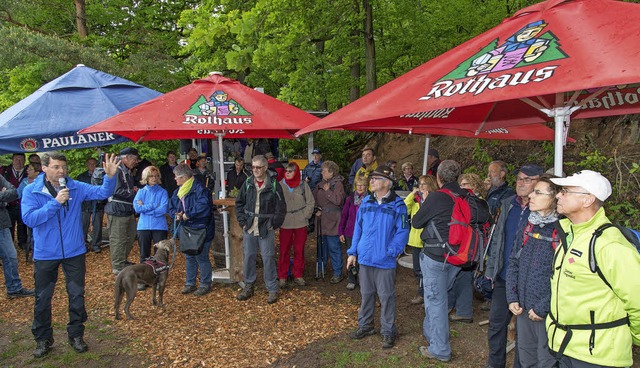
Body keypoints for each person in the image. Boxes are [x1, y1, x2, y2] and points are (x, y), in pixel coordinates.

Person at [21, 151, 119, 358]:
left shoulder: (75, 187)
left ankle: (75, 335)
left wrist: (110, 177)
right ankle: (43, 339)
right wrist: (55, 202)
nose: (61, 171)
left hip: (74, 251)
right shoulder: (32, 191)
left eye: (63, 167)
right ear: (45, 168)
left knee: (76, 295)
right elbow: (29, 219)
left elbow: (101, 193)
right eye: (56, 167)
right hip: (46, 254)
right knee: (42, 298)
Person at [547, 171, 640, 368]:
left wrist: (628, 338)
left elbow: (637, 300)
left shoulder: (609, 245)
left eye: (565, 191)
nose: (558, 195)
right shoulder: (570, 235)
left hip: (598, 356)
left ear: (588, 199)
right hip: (565, 349)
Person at [485, 163, 543, 368]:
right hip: (504, 277)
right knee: (496, 325)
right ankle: (494, 364)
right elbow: (498, 240)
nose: (521, 183)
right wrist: (492, 269)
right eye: (519, 178)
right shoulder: (508, 203)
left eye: (528, 179)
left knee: (525, 333)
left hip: (529, 282)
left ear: (539, 183)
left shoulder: (544, 211)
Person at [346, 165, 409, 349]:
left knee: (386, 296)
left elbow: (403, 231)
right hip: (365, 258)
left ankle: (388, 331)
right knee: (366, 295)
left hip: (385, 260)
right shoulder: (366, 202)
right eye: (371, 178)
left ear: (387, 182)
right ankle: (365, 326)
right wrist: (352, 252)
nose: (371, 181)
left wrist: (392, 250)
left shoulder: (398, 205)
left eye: (376, 178)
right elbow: (358, 228)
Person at [411, 160, 466, 362]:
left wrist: (425, 203)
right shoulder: (465, 195)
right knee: (440, 297)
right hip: (458, 256)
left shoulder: (437, 198)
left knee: (436, 302)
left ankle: (440, 349)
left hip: (437, 257)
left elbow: (417, 222)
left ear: (438, 178)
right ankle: (431, 334)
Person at [506, 176, 559, 368]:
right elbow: (513, 261)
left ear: (554, 197)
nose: (531, 195)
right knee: (527, 360)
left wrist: (544, 307)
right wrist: (512, 297)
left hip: (548, 313)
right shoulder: (528, 224)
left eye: (538, 192)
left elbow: (566, 277)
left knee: (547, 362)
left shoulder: (563, 230)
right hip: (523, 310)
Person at [235, 155, 286, 304]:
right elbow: (239, 203)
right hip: (250, 226)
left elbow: (281, 208)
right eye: (253, 167)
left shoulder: (274, 184)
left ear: (265, 168)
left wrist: (274, 224)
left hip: (265, 227)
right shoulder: (248, 183)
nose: (255, 170)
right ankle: (248, 286)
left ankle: (272, 288)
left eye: (258, 167)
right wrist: (242, 222)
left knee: (268, 258)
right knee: (249, 256)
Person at [448, 172, 489, 322]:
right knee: (461, 277)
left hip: (468, 246)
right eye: (461, 184)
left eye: (466, 184)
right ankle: (457, 307)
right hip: (473, 245)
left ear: (475, 186)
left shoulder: (473, 202)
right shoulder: (480, 202)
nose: (462, 187)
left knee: (463, 278)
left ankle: (464, 311)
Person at [169, 164, 214, 297]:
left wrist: (188, 214)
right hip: (186, 228)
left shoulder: (200, 189)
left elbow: (204, 208)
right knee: (189, 256)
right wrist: (176, 214)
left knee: (202, 256)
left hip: (201, 228)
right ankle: (190, 283)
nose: (175, 179)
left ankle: (205, 284)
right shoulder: (178, 191)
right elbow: (171, 206)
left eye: (176, 177)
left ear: (183, 177)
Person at [278, 162, 314, 287]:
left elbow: (310, 202)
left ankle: (298, 274)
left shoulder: (303, 185)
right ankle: (282, 275)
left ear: (296, 172)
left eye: (290, 171)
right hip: (285, 222)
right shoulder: (279, 186)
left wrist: (305, 215)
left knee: (299, 250)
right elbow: (275, 203)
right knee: (284, 250)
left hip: (300, 222)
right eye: (286, 171)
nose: (287, 173)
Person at [105, 147, 140, 275]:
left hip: (127, 210)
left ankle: (122, 260)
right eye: (135, 159)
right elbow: (116, 191)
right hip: (117, 210)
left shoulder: (127, 172)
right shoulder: (117, 170)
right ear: (126, 158)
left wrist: (132, 189)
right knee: (118, 239)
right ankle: (118, 266)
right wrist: (133, 192)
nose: (136, 162)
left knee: (130, 236)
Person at [405, 175, 438, 305]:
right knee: (418, 270)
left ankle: (430, 295)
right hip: (416, 241)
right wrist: (412, 194)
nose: (421, 186)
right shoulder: (415, 200)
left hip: (430, 241)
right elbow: (404, 207)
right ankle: (421, 293)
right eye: (420, 184)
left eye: (424, 184)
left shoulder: (434, 200)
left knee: (430, 270)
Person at [1, 174, 34, 298]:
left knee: (11, 257)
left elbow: (14, 192)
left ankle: (14, 288)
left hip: (2, 224)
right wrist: (3, 198)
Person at [313, 160, 346, 284]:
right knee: (322, 246)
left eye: (324, 171)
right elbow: (314, 197)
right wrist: (316, 209)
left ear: (331, 172)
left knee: (334, 247)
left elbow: (338, 201)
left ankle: (338, 272)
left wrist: (328, 191)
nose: (322, 172)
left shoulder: (338, 184)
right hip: (321, 220)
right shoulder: (320, 184)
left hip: (333, 221)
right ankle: (321, 270)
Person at [133, 166, 169, 264]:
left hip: (159, 227)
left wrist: (145, 208)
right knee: (144, 255)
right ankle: (144, 276)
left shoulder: (163, 192)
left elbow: (163, 209)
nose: (154, 178)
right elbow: (137, 208)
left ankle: (160, 275)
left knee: (160, 254)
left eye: (156, 176)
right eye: (151, 176)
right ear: (146, 178)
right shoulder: (141, 192)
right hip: (143, 227)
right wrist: (153, 206)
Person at [339, 176, 368, 290]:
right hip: (350, 232)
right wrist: (341, 231)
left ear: (366, 186)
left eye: (362, 185)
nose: (360, 188)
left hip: (365, 233)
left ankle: (363, 280)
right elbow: (344, 216)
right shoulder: (350, 199)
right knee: (351, 255)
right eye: (358, 185)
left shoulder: (370, 199)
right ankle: (351, 279)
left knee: (363, 257)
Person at [76, 158, 104, 253]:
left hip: (97, 204)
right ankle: (82, 244)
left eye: (94, 164)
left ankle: (96, 244)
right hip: (85, 205)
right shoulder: (81, 177)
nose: (92, 166)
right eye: (90, 164)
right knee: (83, 225)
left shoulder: (101, 176)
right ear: (86, 165)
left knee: (97, 225)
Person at [3, 153, 28, 250]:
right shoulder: (4, 171)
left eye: (21, 160)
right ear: (12, 160)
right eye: (17, 159)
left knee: (23, 225)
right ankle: (9, 245)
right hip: (9, 204)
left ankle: (23, 243)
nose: (19, 162)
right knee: (9, 225)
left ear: (25, 161)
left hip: (23, 204)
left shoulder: (28, 172)